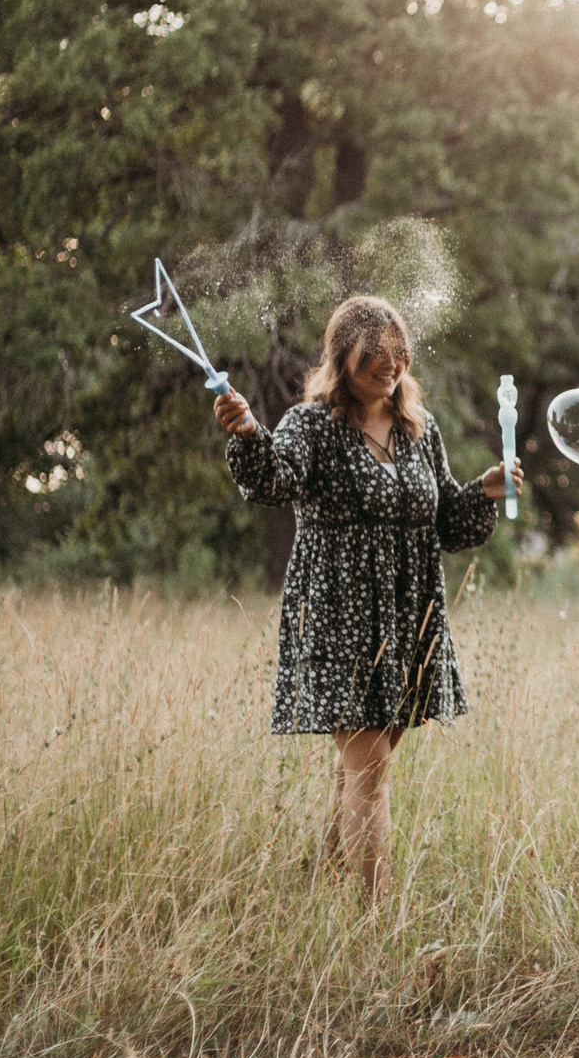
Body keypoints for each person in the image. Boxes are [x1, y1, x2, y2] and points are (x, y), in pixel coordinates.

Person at [212, 296, 518, 899]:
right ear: (342, 355)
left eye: (398, 351)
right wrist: (248, 431)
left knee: (360, 773)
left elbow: (446, 526)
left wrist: (482, 492)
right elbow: (272, 480)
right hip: (338, 615)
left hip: (408, 617)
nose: (390, 363)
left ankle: (323, 893)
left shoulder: (416, 430)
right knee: (369, 774)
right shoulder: (311, 426)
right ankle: (376, 925)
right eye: (374, 352)